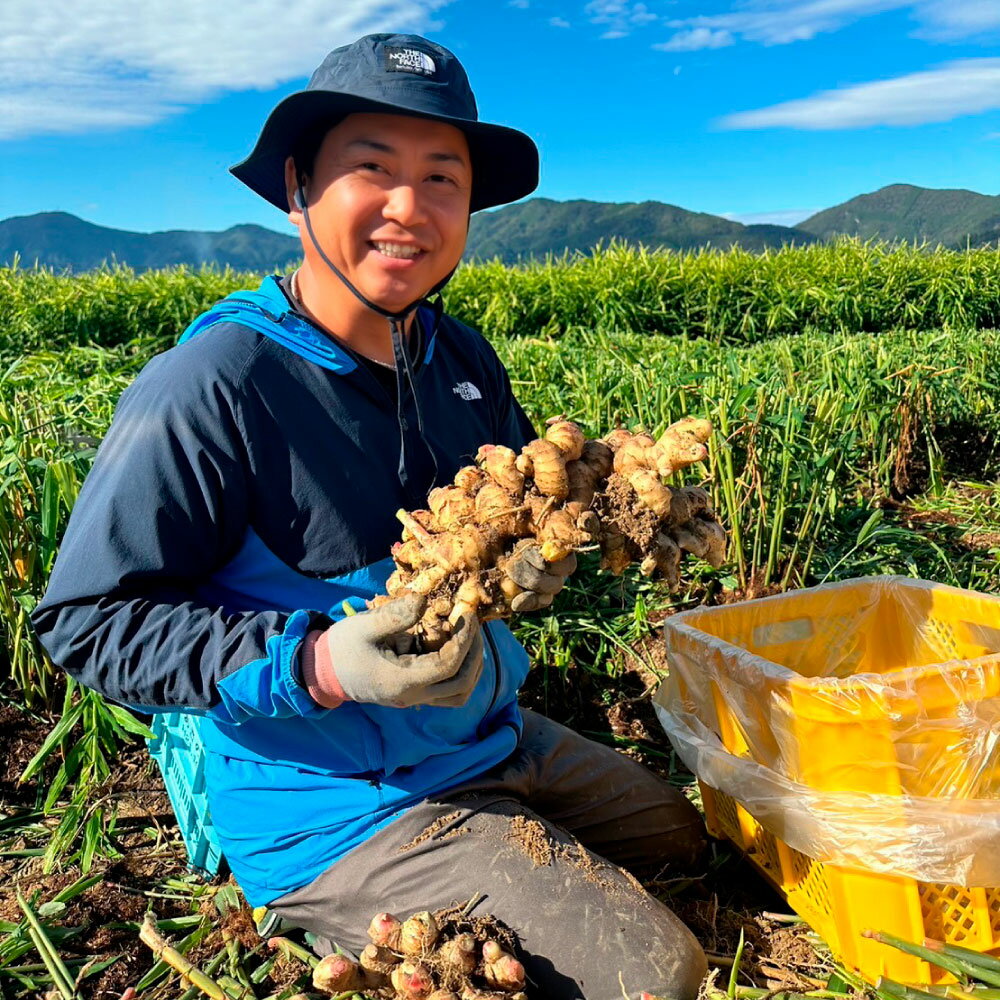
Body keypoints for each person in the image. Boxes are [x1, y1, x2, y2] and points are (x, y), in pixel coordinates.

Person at [31, 33, 707, 999]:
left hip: (485, 731)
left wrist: (600, 518)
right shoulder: (215, 383)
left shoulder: (458, 359)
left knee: (695, 839)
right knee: (659, 976)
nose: (409, 207)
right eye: (372, 169)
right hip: (338, 801)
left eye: (443, 177)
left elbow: (518, 516)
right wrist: (322, 666)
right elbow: (86, 621)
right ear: (301, 187)